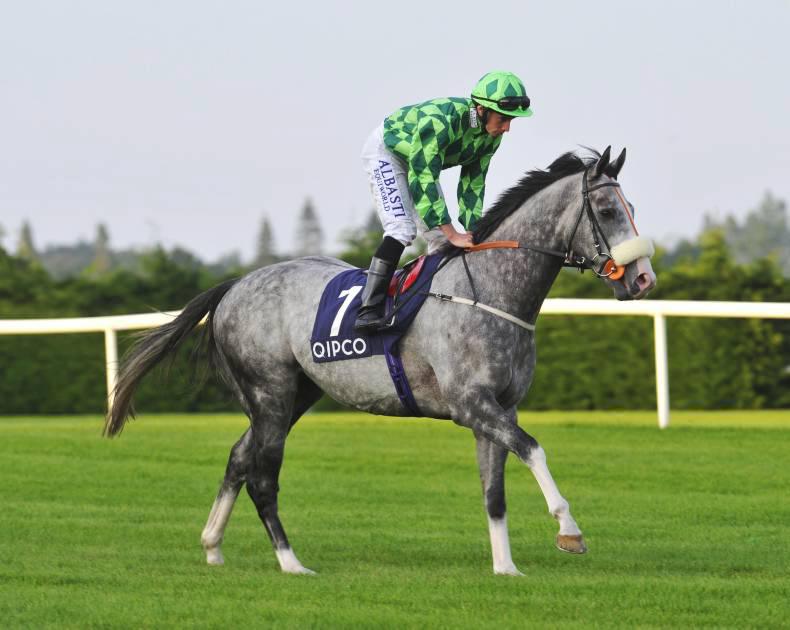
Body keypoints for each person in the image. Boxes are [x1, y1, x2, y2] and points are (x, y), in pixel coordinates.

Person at [355, 71, 533, 333]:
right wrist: (453, 233)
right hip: (388, 154)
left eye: (511, 120)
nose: (507, 128)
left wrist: (474, 231)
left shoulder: (491, 136)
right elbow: (423, 175)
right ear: (481, 110)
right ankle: (367, 309)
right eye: (503, 119)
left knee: (439, 242)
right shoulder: (441, 121)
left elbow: (473, 183)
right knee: (402, 229)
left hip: (421, 163)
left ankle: (430, 308)